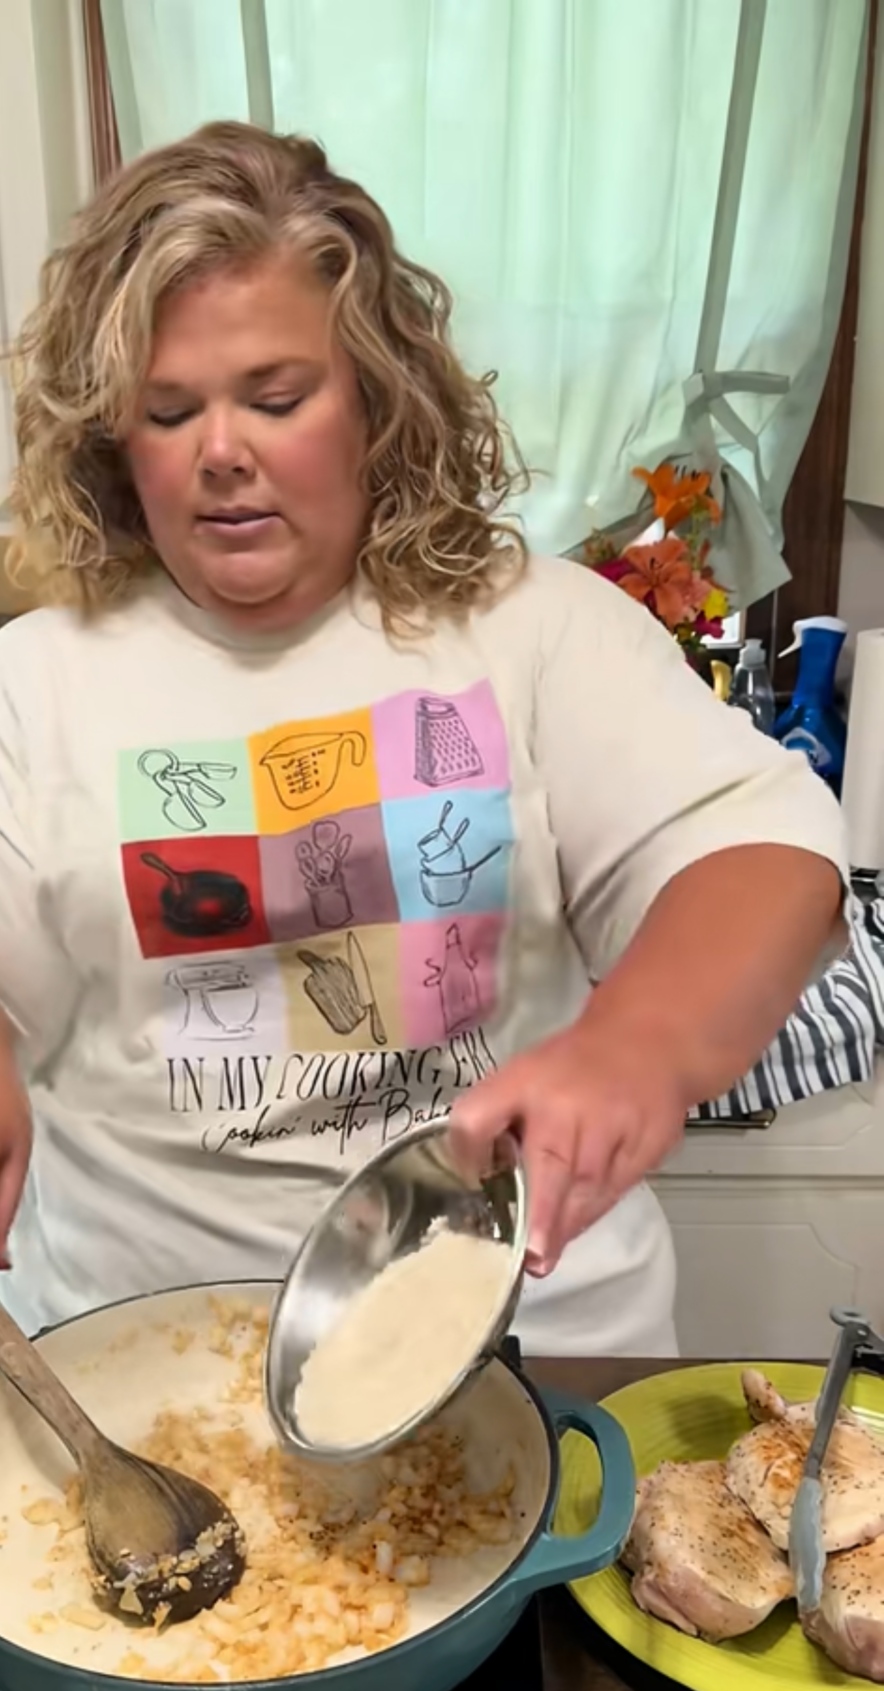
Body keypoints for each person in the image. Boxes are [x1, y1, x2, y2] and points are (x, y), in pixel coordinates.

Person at [0, 121, 846, 1355]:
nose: (222, 451)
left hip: (531, 1353)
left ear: (376, 403)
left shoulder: (535, 626)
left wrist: (641, 1045)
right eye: (169, 411)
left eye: (275, 398)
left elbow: (764, 860)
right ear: (115, 444)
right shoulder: (36, 680)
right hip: (137, 1377)